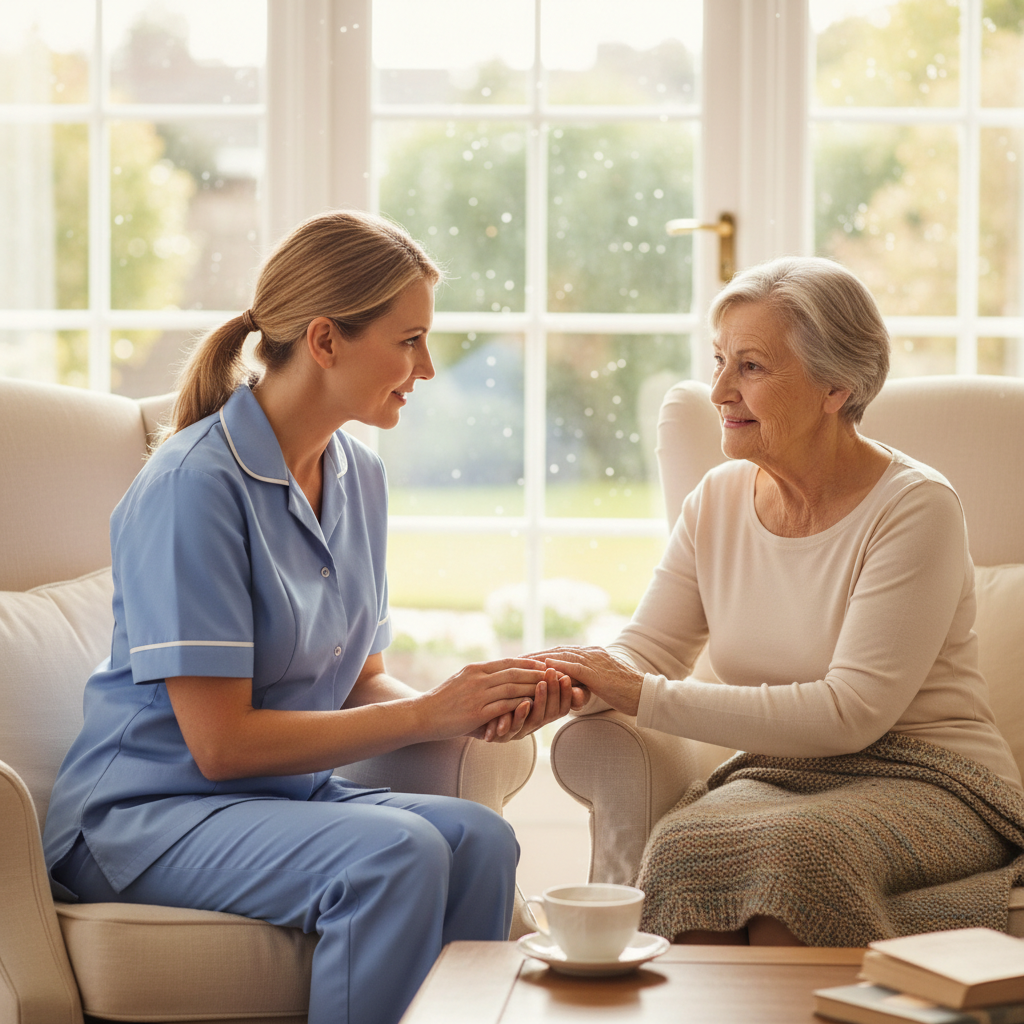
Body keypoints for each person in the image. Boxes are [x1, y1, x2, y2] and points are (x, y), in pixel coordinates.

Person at [42, 210, 573, 1024]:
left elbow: (359, 682)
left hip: (276, 801)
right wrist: (431, 710)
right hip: (144, 818)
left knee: (481, 841)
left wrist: (470, 715)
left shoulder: (358, 476)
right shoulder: (195, 485)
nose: (427, 368)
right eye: (408, 341)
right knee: (395, 856)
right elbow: (220, 747)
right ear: (325, 340)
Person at [541, 255, 1024, 948]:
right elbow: (647, 651)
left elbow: (847, 714)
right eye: (718, 361)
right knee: (686, 849)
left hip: (940, 779)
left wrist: (638, 692)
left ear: (837, 386)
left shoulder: (916, 508)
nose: (717, 391)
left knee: (796, 860)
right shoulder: (719, 498)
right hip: (781, 775)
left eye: (751, 367)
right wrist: (564, 680)